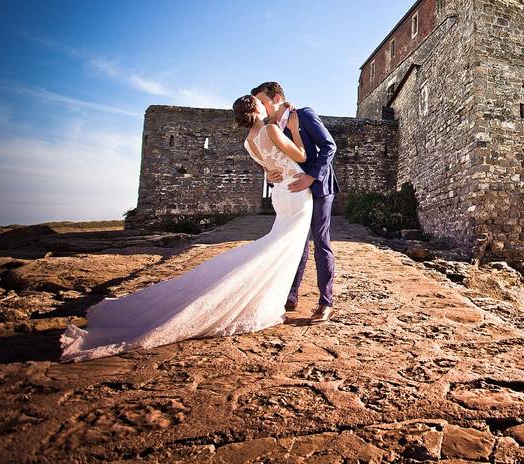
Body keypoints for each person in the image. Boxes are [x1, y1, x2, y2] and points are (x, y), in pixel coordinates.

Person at [58, 94, 313, 362]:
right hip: (296, 192)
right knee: (284, 246)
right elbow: (302, 155)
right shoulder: (272, 129)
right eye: (260, 103)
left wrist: (272, 171)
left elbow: (268, 170)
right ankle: (265, 301)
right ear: (256, 108)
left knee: (278, 244)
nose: (265, 104)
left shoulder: (249, 142)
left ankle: (268, 298)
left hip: (280, 193)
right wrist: (294, 128)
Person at [251, 81, 338, 322]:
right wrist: (269, 175)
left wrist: (311, 176)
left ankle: (325, 302)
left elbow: (329, 146)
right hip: (293, 192)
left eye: (263, 102)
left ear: (277, 98)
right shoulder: (269, 128)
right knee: (294, 241)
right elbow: (272, 161)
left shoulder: (304, 114)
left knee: (321, 242)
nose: (261, 108)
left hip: (319, 188)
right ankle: (290, 295)